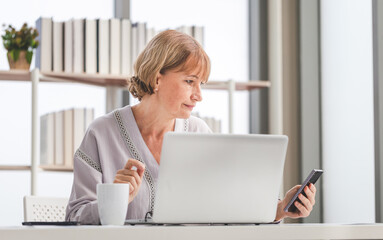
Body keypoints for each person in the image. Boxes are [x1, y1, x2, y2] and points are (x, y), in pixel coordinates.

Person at [65, 30, 316, 225]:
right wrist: (115, 199)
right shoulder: (101, 133)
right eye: (189, 81)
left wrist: (280, 207)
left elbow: (226, 208)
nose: (198, 95)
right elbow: (74, 217)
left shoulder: (199, 133)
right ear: (156, 78)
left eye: (201, 84)